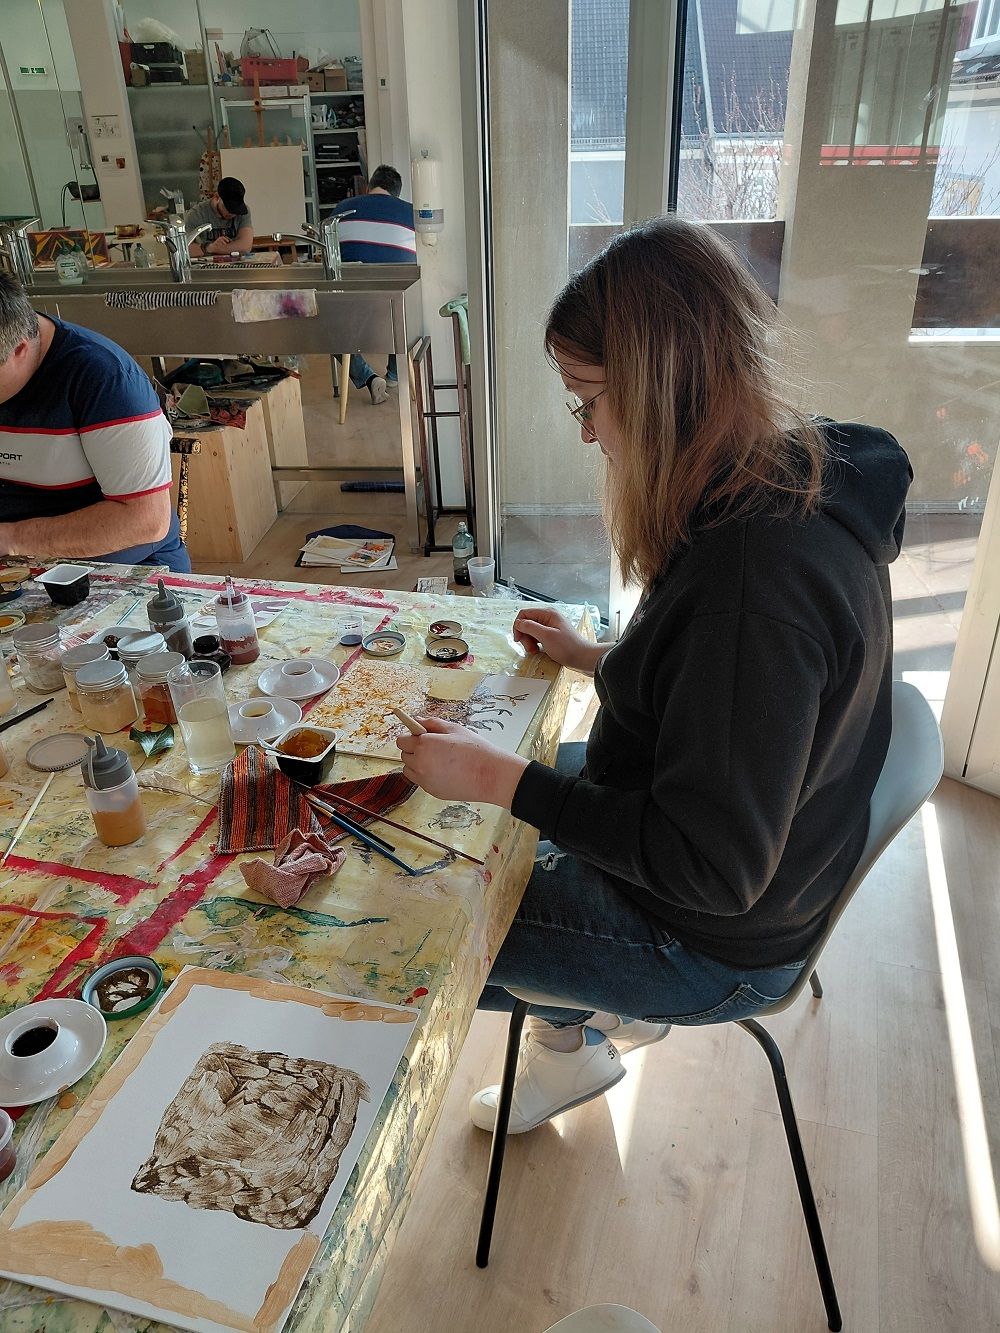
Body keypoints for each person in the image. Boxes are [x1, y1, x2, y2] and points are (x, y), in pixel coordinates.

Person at [395, 216, 912, 1135]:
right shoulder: (786, 472)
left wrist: (503, 781)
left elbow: (708, 865)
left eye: (589, 402)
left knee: (407, 922)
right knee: (472, 808)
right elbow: (722, 698)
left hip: (708, 939)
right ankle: (574, 1038)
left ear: (660, 388)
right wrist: (599, 659)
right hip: (740, 845)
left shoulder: (757, 584)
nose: (588, 433)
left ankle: (574, 1034)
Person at [0, 273, 190, 570]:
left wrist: (11, 538)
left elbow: (145, 521)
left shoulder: (105, 380)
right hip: (18, 565)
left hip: (121, 570)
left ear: (19, 349)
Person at [334, 164, 416, 404]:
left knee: (326, 327)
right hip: (396, 317)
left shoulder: (342, 209)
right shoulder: (411, 214)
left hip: (353, 316)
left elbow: (330, 259)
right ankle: (394, 375)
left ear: (369, 187)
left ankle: (369, 378)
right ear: (397, 193)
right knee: (398, 299)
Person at [185, 177, 254, 257]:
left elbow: (245, 247)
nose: (233, 214)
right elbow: (185, 249)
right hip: (208, 263)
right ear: (217, 197)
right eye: (229, 208)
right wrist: (209, 247)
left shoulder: (243, 212)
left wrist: (214, 249)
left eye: (236, 210)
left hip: (236, 262)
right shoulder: (196, 214)